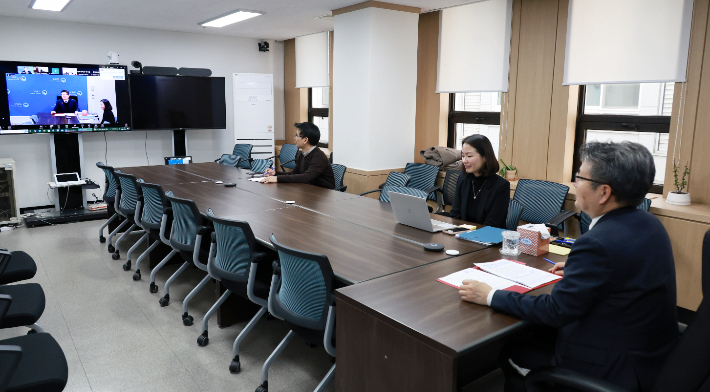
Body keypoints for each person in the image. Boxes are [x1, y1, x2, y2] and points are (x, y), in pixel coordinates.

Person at [459, 141, 678, 392]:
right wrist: (582, 271)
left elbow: (555, 310)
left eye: (579, 177)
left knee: (514, 347)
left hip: (613, 367)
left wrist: (490, 295)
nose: (574, 184)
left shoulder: (597, 243)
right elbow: (624, 271)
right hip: (652, 358)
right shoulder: (651, 225)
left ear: (604, 192)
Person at [445, 134, 509, 228]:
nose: (464, 160)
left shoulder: (501, 186)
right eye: (463, 156)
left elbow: (492, 224)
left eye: (469, 156)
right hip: (462, 233)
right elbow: (455, 214)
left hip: (487, 236)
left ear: (485, 157)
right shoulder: (463, 179)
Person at [260, 122, 335, 189]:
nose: (294, 138)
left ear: (305, 140)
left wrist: (277, 179)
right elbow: (294, 173)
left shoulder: (318, 157)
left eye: (297, 135)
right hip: (309, 190)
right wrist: (275, 173)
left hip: (323, 194)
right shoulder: (303, 154)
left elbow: (306, 177)